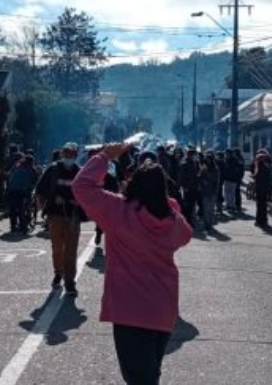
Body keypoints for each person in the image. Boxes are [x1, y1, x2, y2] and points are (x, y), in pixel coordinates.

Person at [72, 143, 193, 385]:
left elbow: (82, 186)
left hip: (129, 312)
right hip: (162, 311)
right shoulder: (173, 221)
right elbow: (186, 234)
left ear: (134, 183)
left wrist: (105, 156)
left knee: (139, 380)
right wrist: (168, 203)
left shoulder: (119, 211)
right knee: (150, 377)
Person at [35, 143, 84, 296]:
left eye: (71, 154)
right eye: (66, 154)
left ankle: (70, 281)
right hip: (55, 215)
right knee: (57, 247)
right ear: (62, 154)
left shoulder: (80, 172)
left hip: (73, 216)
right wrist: (51, 199)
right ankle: (58, 272)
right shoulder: (53, 169)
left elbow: (88, 192)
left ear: (76, 156)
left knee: (71, 249)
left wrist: (79, 201)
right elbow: (40, 189)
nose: (68, 157)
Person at [6, 155, 40, 233]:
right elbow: (36, 180)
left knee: (13, 208)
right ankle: (23, 225)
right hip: (24, 191)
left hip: (12, 190)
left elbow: (9, 175)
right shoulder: (32, 169)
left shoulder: (16, 166)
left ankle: (13, 225)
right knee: (24, 206)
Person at [177, 149, 201, 225]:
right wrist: (184, 187)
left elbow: (197, 175)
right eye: (194, 155)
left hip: (195, 186)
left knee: (193, 204)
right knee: (188, 205)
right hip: (188, 188)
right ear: (190, 155)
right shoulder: (185, 164)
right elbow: (181, 177)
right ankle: (187, 221)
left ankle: (191, 219)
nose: (195, 157)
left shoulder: (195, 163)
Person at [200, 151, 221, 230]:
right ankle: (207, 224)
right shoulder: (203, 168)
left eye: (209, 159)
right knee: (206, 209)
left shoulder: (216, 168)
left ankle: (210, 224)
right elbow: (200, 178)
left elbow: (217, 181)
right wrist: (202, 182)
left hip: (212, 191)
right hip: (205, 192)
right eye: (207, 159)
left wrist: (215, 191)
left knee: (211, 209)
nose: (207, 160)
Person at [253, 151, 272, 228]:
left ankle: (260, 221)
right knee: (263, 205)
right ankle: (262, 220)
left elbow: (258, 177)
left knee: (260, 206)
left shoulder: (261, 167)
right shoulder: (266, 167)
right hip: (264, 189)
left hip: (261, 189)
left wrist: (254, 176)